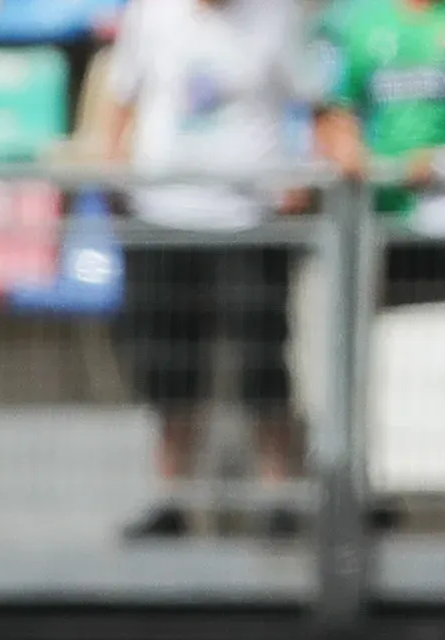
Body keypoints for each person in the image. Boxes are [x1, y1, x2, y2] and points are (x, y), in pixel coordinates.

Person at [98, 0, 316, 539]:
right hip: (164, 215)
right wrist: (113, 171)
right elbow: (120, 99)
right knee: (169, 366)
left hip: (248, 219)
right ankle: (171, 498)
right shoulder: (151, 13)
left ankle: (278, 495)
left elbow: (316, 101)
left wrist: (300, 176)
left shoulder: (277, 15)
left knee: (263, 362)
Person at [317, 0, 445, 308]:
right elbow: (337, 108)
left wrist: (435, 162)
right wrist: (349, 151)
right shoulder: (363, 22)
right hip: (382, 216)